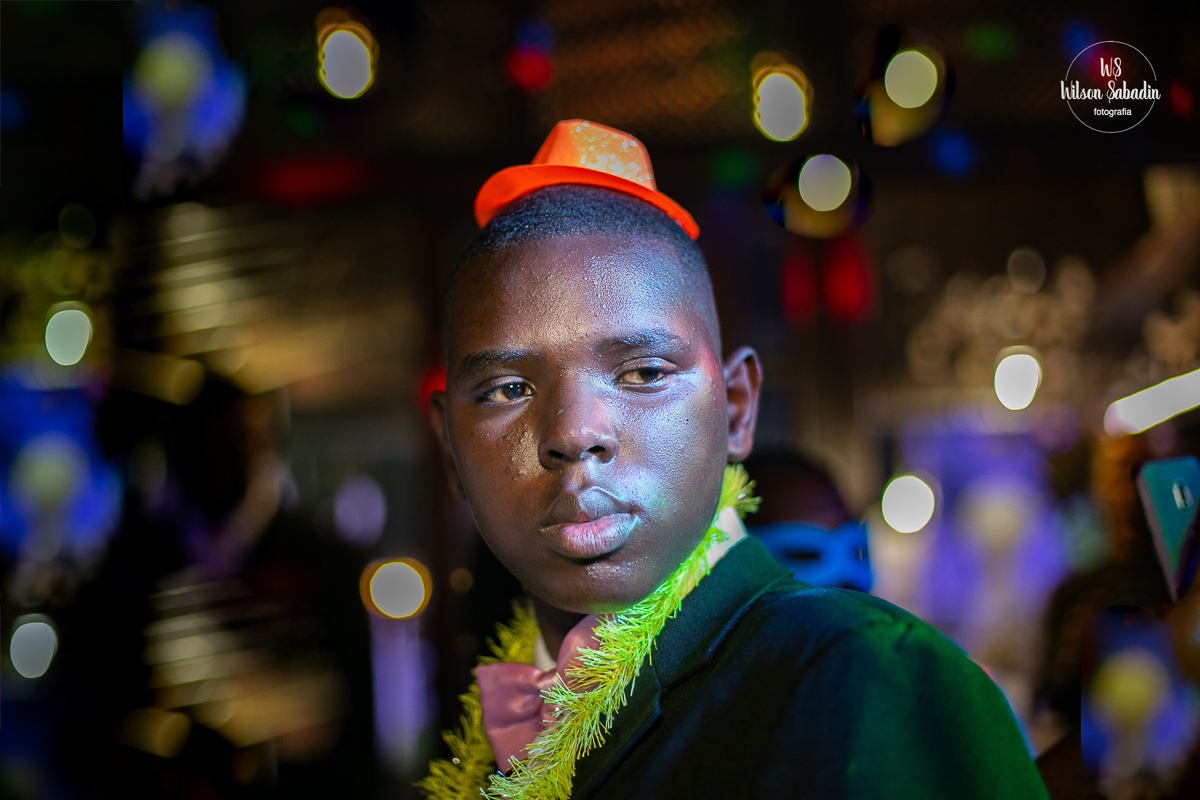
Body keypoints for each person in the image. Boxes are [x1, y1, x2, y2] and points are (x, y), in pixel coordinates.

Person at [420, 120, 1047, 799]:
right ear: (450, 446)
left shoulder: (864, 677)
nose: (575, 434)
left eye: (643, 374)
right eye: (508, 389)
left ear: (739, 408)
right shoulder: (497, 725)